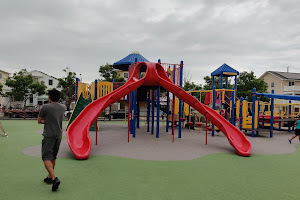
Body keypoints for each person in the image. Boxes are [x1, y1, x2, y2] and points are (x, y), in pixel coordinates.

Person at [38, 89, 66, 191]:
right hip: (58, 135)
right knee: (53, 156)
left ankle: (54, 178)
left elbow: (39, 121)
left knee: (46, 157)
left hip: (49, 135)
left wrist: (45, 121)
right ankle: (49, 177)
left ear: (49, 97)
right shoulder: (63, 107)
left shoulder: (45, 107)